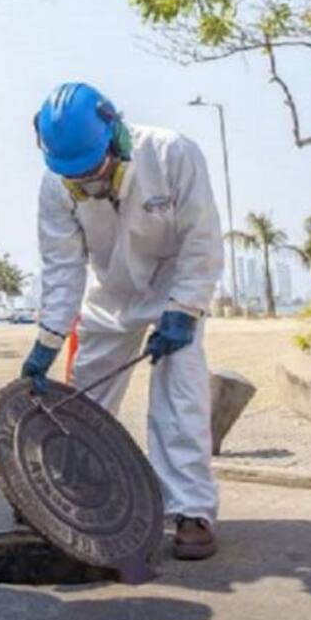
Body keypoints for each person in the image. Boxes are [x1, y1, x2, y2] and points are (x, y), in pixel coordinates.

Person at [22, 82, 225, 560]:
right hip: (108, 292)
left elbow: (202, 239)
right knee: (85, 399)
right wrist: (47, 342)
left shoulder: (172, 154)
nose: (87, 184)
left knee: (180, 395)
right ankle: (71, 492)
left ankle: (192, 509)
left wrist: (184, 309)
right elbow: (62, 267)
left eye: (93, 171)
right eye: (76, 177)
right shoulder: (56, 186)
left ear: (116, 139)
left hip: (174, 288)